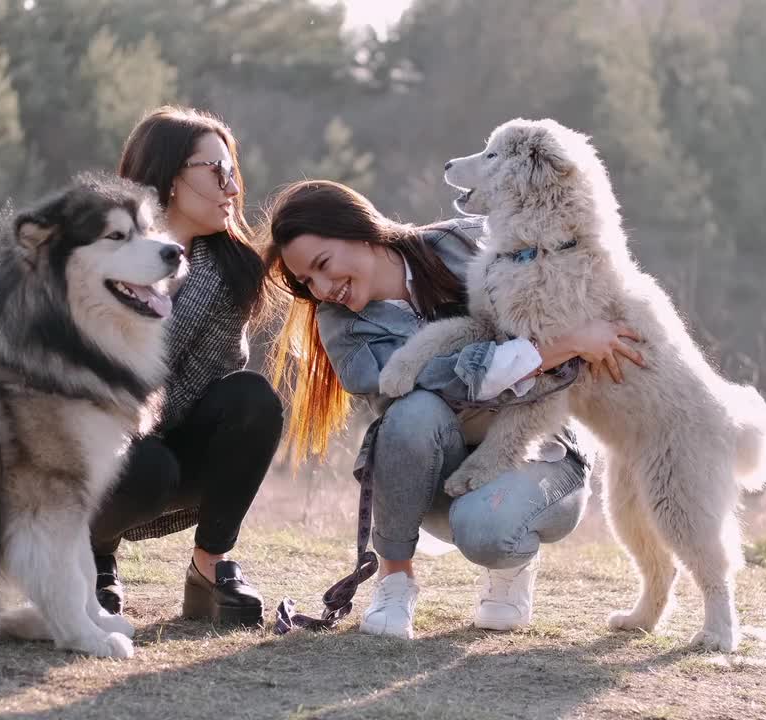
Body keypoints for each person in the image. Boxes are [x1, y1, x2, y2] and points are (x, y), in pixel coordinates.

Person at [264, 180, 644, 638]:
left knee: (486, 530)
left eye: (323, 265)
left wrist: (593, 330)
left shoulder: (470, 242)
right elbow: (439, 383)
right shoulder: (341, 326)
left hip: (540, 451)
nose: (323, 288)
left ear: (359, 231)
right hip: (440, 480)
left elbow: (574, 268)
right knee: (412, 409)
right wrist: (557, 347)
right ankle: (395, 580)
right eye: (307, 281)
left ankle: (510, 566)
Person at [89, 106, 283, 628]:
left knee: (252, 399)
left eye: (233, 172)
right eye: (215, 172)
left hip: (166, 442)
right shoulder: (100, 257)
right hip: (85, 455)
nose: (232, 187)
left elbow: (211, 386)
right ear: (171, 178)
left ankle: (210, 568)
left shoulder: (231, 274)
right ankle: (91, 555)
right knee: (144, 464)